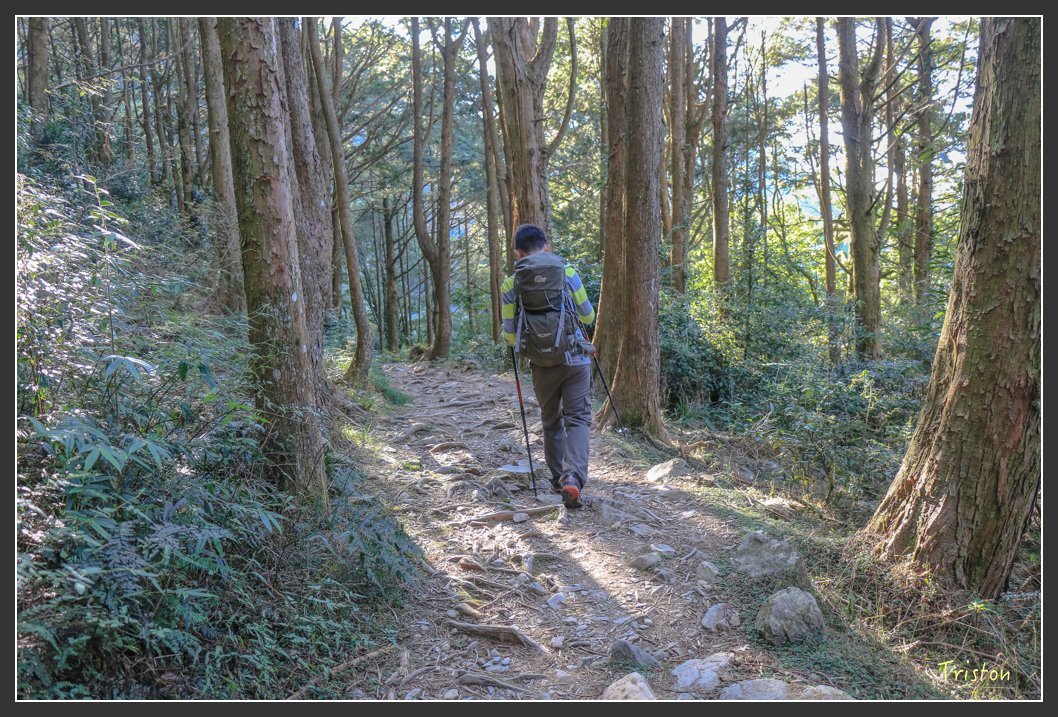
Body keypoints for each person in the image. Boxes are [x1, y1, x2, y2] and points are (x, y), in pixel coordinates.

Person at [502, 223, 595, 509]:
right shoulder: (567, 273)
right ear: (547, 246)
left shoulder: (510, 284)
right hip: (576, 359)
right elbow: (588, 317)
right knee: (577, 419)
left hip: (541, 364)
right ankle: (573, 479)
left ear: (517, 253)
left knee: (551, 420)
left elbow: (509, 334)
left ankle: (558, 480)